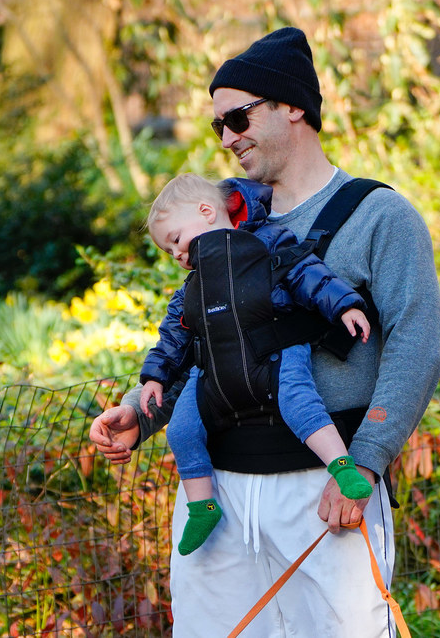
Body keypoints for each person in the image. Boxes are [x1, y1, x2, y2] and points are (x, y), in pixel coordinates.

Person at [90, 27, 440, 636]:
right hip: (217, 498)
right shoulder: (213, 228)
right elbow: (207, 344)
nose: (227, 139)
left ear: (293, 107)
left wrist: (363, 463)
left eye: (238, 117)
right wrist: (139, 413)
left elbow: (417, 345)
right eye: (217, 127)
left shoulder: (379, 216)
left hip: (324, 491)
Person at [140, 173, 372, 557]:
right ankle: (203, 506)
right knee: (181, 429)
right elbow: (173, 335)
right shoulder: (193, 285)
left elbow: (306, 273)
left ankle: (343, 466)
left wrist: (345, 304)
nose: (178, 256)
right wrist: (154, 377)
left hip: (276, 353)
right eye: (170, 253)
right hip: (217, 370)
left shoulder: (266, 242)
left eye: (177, 240)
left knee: (300, 402)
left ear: (206, 211)